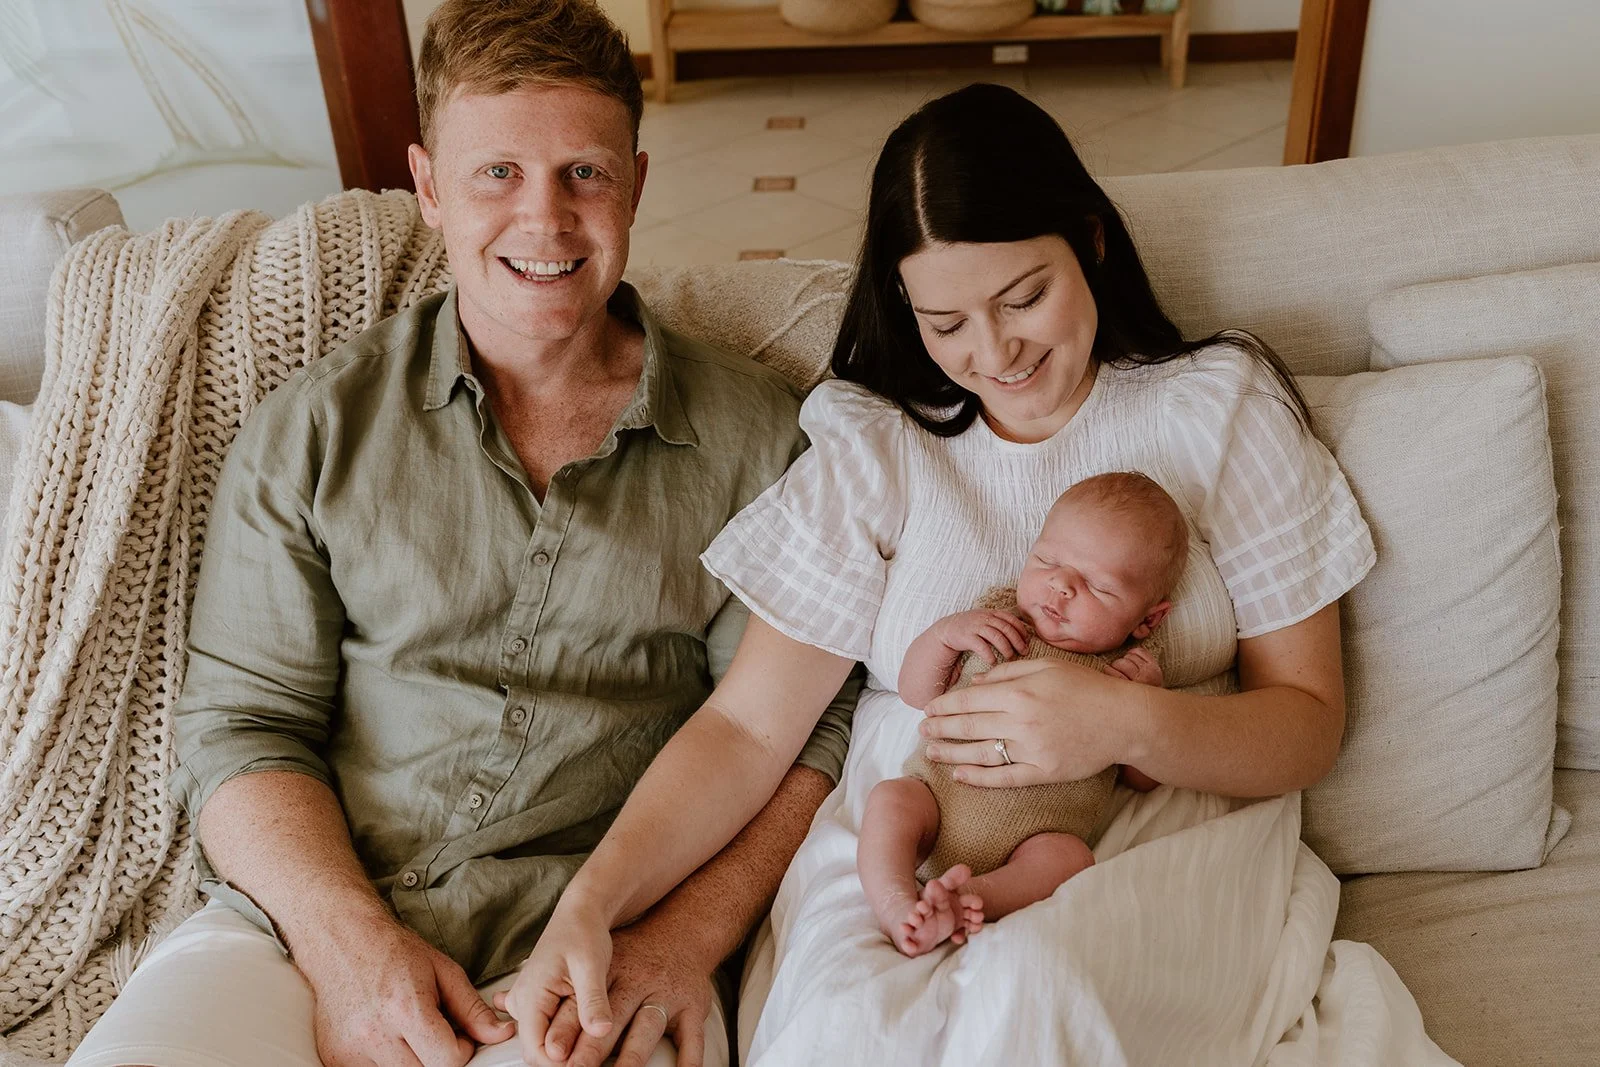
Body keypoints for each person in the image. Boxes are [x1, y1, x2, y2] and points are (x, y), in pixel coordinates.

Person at [506, 81, 1377, 1058]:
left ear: (1089, 241)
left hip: (1150, 819)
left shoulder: (1217, 407)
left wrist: (1129, 719)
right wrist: (591, 902)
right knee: (842, 1028)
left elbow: (1307, 722)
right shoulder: (875, 443)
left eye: (1024, 298)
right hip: (907, 824)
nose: (995, 352)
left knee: (1031, 992)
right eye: (945, 321)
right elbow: (748, 727)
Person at [65, 3, 859, 1067]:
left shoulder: (760, 439)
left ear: (636, 181)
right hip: (307, 924)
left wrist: (685, 940)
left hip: (601, 947)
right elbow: (243, 726)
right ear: (428, 187)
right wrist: (348, 947)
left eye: (585, 172)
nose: (546, 221)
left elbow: (794, 735)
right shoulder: (315, 427)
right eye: (496, 174)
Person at [861, 471, 1186, 957]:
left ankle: (970, 899)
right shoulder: (996, 621)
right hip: (936, 800)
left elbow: (1142, 779)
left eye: (1098, 586)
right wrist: (946, 636)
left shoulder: (1124, 678)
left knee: (1070, 858)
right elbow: (915, 692)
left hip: (1035, 840)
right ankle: (896, 905)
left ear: (1148, 619)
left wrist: (1143, 706)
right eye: (1047, 560)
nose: (1060, 586)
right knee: (890, 799)